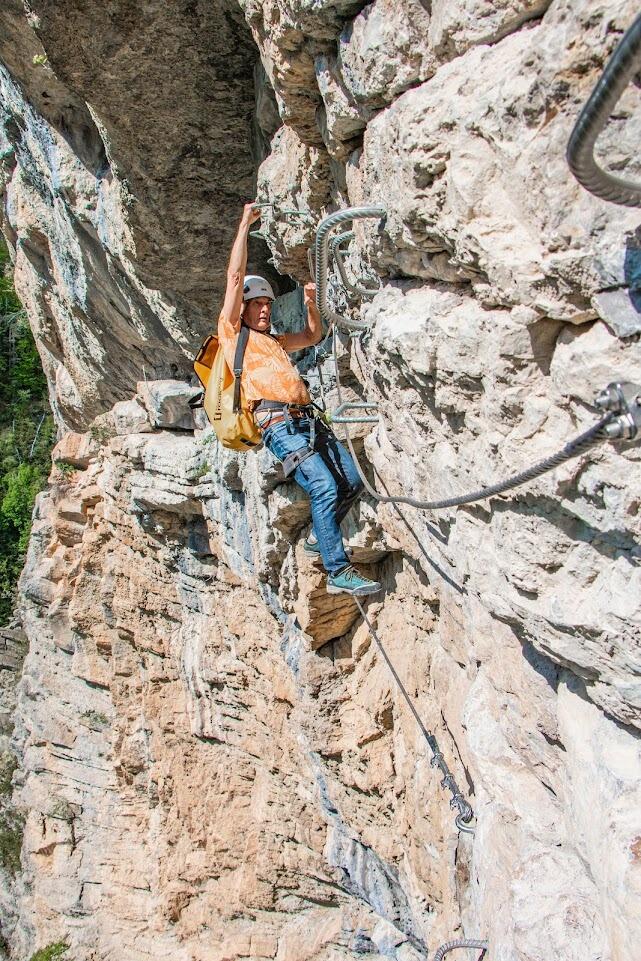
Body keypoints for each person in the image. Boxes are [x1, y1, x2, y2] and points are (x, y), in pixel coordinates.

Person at [217, 202, 381, 597]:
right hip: (278, 426)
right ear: (244, 308)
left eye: (267, 305)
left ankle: (315, 541)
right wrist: (243, 225)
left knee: (352, 480)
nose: (264, 310)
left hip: (307, 421)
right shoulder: (232, 334)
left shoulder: (273, 341)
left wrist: (311, 306)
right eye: (257, 304)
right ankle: (337, 570)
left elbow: (311, 337)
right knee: (324, 486)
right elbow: (235, 276)